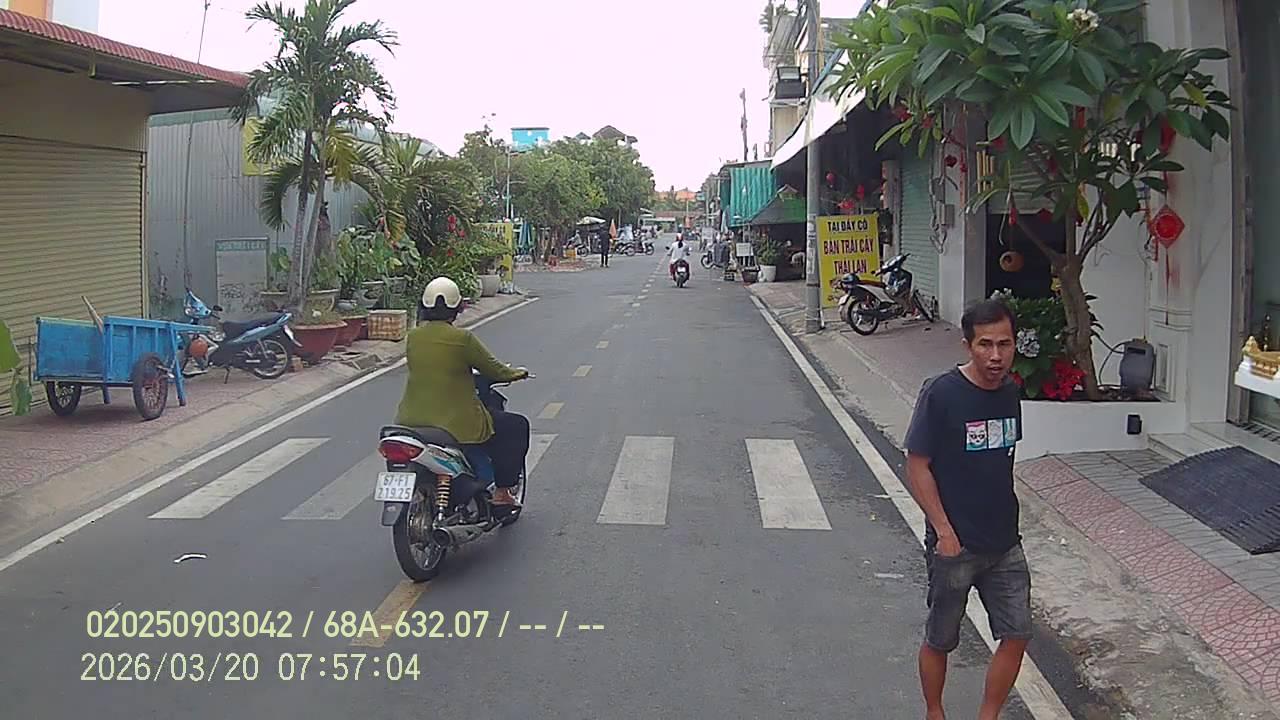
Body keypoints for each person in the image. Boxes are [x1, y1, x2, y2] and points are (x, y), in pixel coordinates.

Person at [903, 298, 1029, 720]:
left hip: (1005, 542)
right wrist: (944, 531)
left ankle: (987, 715)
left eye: (1004, 344)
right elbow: (917, 465)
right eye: (985, 345)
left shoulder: (1010, 392)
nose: (996, 356)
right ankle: (934, 711)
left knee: (1017, 633)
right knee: (941, 639)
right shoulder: (941, 394)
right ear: (967, 345)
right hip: (955, 544)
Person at [395, 277, 530, 508]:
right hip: (454, 422)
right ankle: (502, 492)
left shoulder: (413, 337)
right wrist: (518, 373)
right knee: (516, 426)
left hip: (411, 418)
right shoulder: (462, 339)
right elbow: (495, 370)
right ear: (457, 308)